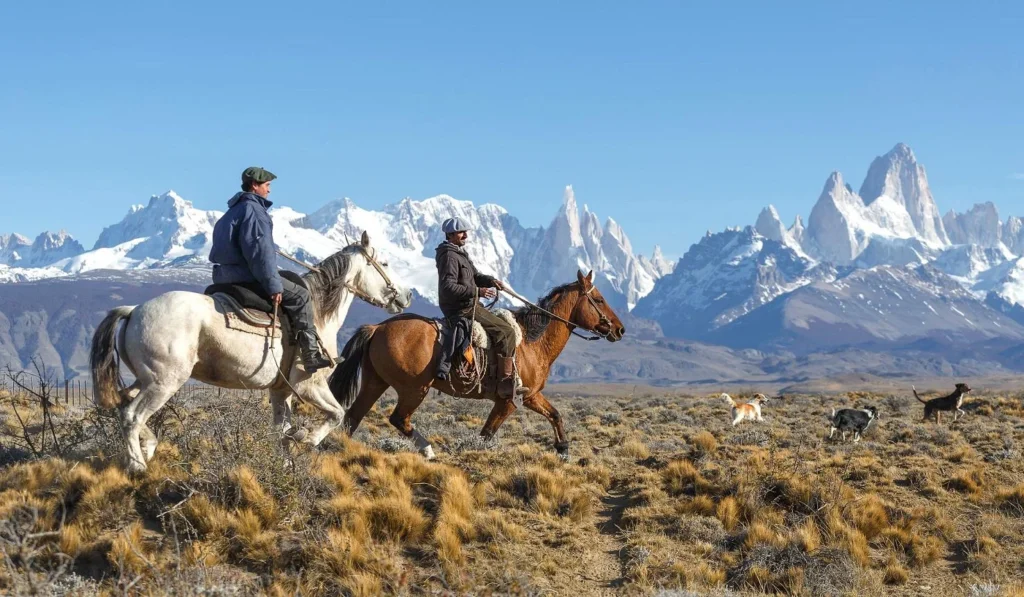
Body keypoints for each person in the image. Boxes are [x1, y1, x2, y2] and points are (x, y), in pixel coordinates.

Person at [209, 167, 333, 372]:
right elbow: (260, 253)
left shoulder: (231, 212)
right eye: (267, 185)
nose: (269, 190)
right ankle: (311, 355)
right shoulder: (254, 211)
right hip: (245, 275)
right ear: (254, 186)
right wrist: (273, 286)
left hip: (224, 276)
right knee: (301, 295)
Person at [435, 216, 524, 399]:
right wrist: (478, 292)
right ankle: (505, 382)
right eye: (461, 232)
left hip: (469, 304)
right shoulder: (450, 256)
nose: (466, 235)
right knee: (507, 332)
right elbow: (448, 287)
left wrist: (491, 281)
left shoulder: (459, 253)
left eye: (466, 232)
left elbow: (475, 276)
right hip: (462, 308)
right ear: (450, 235)